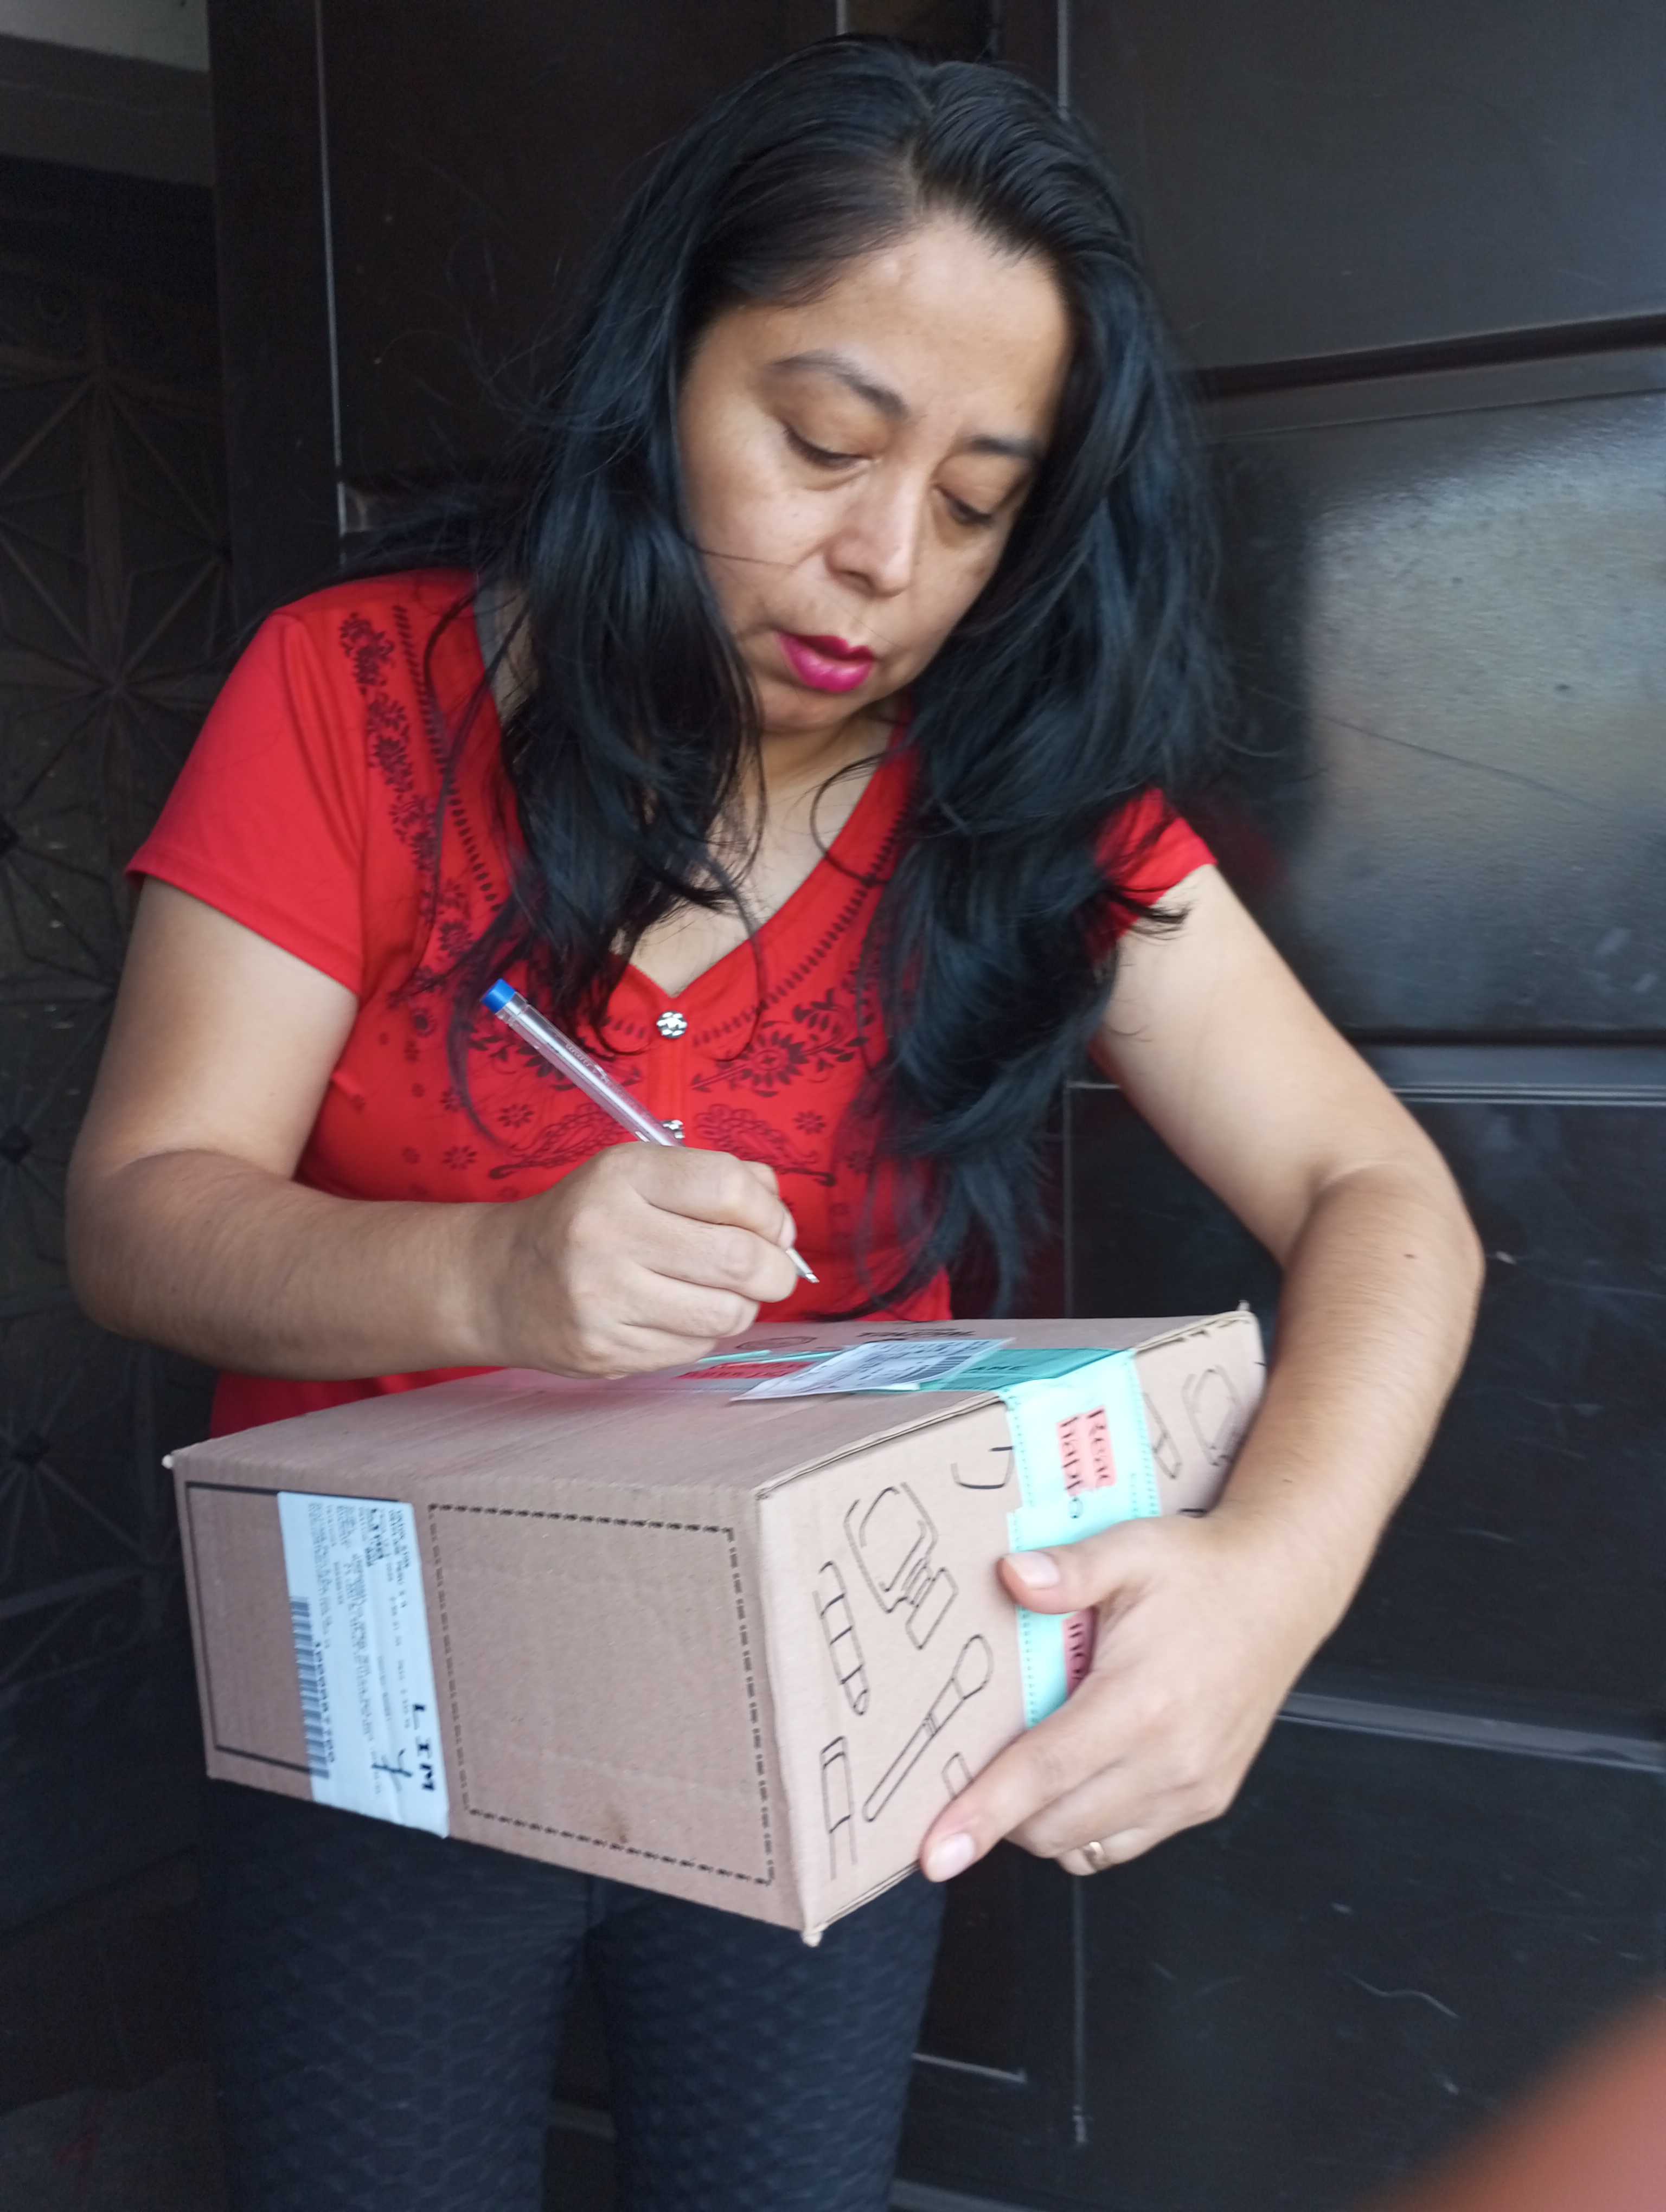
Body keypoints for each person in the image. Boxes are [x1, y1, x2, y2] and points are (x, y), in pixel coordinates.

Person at [66, 37, 1482, 2212]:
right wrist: (488, 1273)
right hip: (387, 1694)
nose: (882, 559)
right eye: (821, 442)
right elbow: (140, 1219)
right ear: (662, 374)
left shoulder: (1030, 809)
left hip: (841, 1693)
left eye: (980, 501)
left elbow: (1381, 1191)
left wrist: (1270, 1579)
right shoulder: (355, 699)